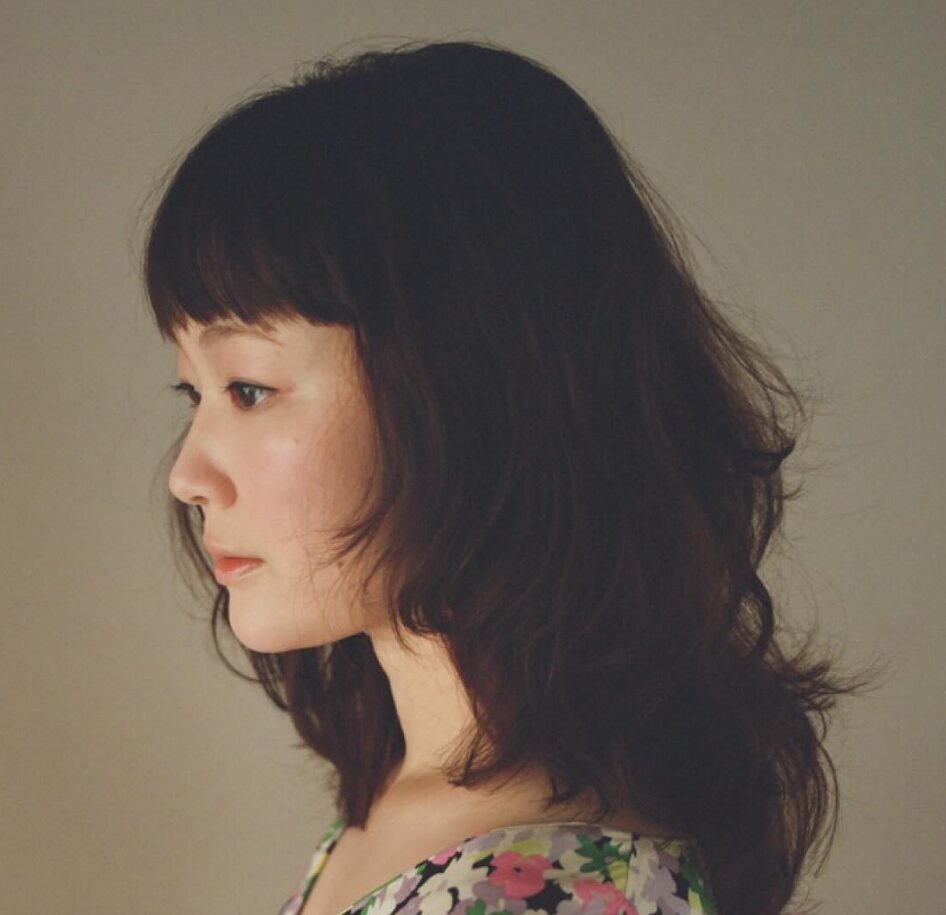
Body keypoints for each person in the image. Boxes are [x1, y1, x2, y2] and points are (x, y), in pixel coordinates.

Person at [140, 38, 880, 915]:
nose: (188, 475)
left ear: (464, 388)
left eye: (249, 389)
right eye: (193, 393)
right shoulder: (408, 807)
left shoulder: (549, 887)